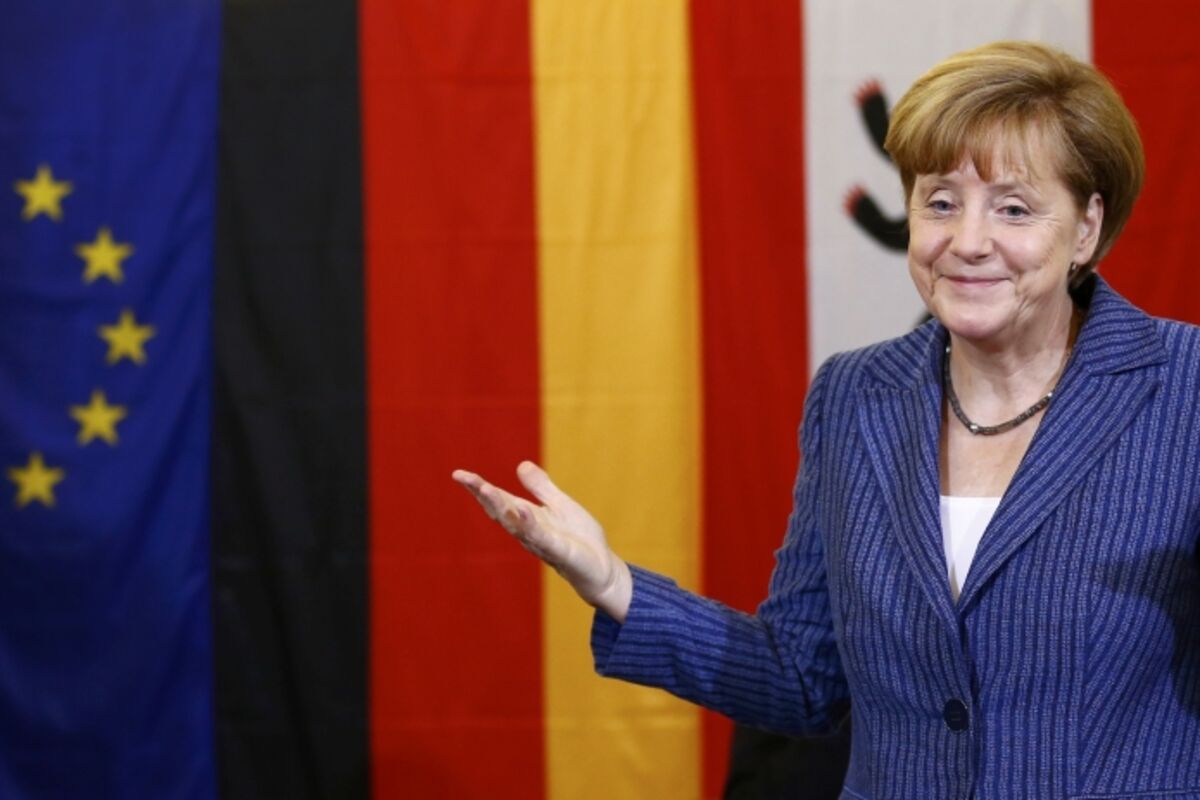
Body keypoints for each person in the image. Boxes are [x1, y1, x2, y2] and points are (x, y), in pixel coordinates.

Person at [452, 41, 1200, 798]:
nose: (968, 242)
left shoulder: (1185, 388)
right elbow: (801, 678)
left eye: (1013, 208)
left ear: (1085, 228)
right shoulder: (855, 395)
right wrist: (616, 584)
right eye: (940, 202)